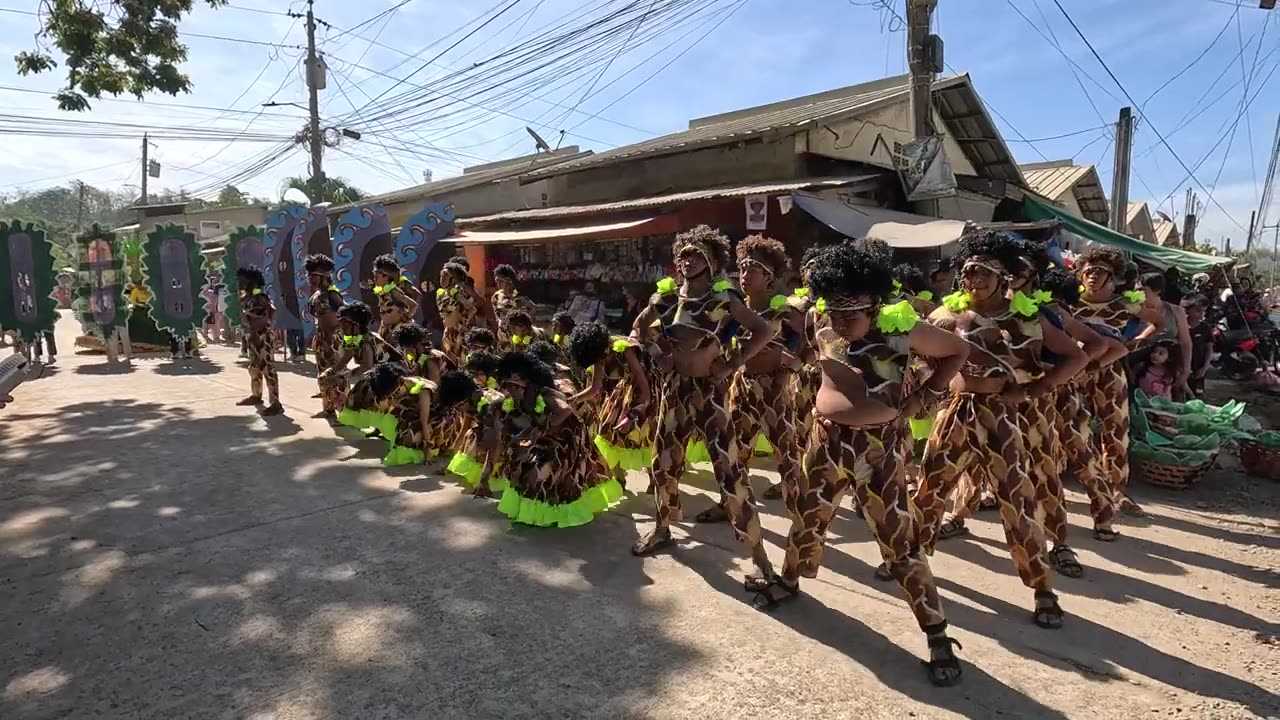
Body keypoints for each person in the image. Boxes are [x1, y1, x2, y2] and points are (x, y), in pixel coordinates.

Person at [750, 242, 969, 687]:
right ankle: (791, 581)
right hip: (824, 442)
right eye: (834, 312)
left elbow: (957, 352)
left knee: (899, 541)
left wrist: (922, 398)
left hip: (879, 451)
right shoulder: (819, 320)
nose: (841, 323)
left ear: (874, 306)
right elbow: (816, 353)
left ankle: (936, 632)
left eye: (851, 315)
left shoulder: (903, 328)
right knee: (808, 519)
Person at [915, 230, 1088, 630]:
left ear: (1002, 278)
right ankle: (911, 561)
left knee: (1018, 499)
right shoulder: (946, 315)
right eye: (968, 274)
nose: (974, 282)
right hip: (956, 412)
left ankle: (1042, 588)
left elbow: (1075, 356)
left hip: (1001, 416)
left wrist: (1037, 387)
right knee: (929, 489)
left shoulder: (1026, 316)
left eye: (983, 275)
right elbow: (916, 353)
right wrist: (934, 382)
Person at [628, 225, 777, 586]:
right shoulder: (665, 299)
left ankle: (759, 557)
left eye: (695, 254)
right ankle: (663, 529)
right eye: (683, 255)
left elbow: (764, 331)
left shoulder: (724, 298)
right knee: (663, 463)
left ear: (711, 261)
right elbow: (638, 330)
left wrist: (730, 363)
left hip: (709, 392)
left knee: (728, 470)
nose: (687, 261)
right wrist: (658, 353)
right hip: (674, 389)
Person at [702, 234, 804, 515]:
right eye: (743, 269)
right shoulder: (736, 312)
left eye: (753, 270)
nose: (745, 275)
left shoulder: (784, 311)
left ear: (769, 277)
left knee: (786, 452)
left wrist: (788, 370)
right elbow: (720, 341)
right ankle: (731, 503)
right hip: (742, 385)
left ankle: (800, 511)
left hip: (774, 389)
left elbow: (810, 346)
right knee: (733, 448)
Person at [1074, 247, 1164, 517]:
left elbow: (1159, 322)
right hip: (1074, 370)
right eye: (1087, 271)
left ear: (1112, 277)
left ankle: (1118, 491)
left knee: (1116, 430)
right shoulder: (1070, 301)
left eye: (1099, 272)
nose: (1091, 276)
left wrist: (1138, 341)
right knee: (1068, 429)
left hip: (1109, 369)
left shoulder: (1124, 303)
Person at [488, 351, 622, 527]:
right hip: (547, 440)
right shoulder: (515, 400)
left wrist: (543, 428)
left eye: (516, 385)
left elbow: (565, 410)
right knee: (522, 467)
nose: (512, 390)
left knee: (548, 473)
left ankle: (557, 512)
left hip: (567, 440)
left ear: (529, 381)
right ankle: (538, 510)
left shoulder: (545, 395)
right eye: (508, 385)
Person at [567, 321, 656, 492]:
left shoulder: (626, 349)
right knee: (606, 431)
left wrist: (635, 413)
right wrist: (574, 400)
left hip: (647, 389)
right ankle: (619, 479)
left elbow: (644, 386)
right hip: (622, 392)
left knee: (645, 434)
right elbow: (595, 388)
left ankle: (655, 478)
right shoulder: (598, 354)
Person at [365, 362, 475, 467]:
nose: (393, 397)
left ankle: (432, 446)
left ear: (401, 381)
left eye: (395, 393)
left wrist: (427, 449)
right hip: (415, 416)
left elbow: (424, 421)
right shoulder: (399, 385)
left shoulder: (424, 391)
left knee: (409, 437)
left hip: (438, 419)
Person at [234, 266, 284, 416]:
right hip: (254, 337)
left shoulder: (259, 298)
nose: (240, 284)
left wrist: (266, 328)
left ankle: (276, 403)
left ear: (251, 282)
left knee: (268, 369)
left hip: (263, 337)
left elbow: (272, 311)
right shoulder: (247, 298)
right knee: (254, 368)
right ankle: (256, 396)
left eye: (242, 281)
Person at [1134, 272, 1192, 399]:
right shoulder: (1133, 312)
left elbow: (1185, 342)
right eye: (1135, 290)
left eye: (1142, 290)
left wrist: (1186, 370)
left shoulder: (1175, 311)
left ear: (1157, 291)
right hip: (1141, 372)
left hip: (1170, 371)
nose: (1137, 294)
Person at [306, 254, 345, 419]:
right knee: (322, 375)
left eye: (313, 276)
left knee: (335, 375)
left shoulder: (333, 295)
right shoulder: (316, 294)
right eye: (309, 275)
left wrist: (334, 331)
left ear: (325, 276)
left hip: (332, 341)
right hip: (321, 340)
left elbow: (346, 315)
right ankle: (328, 409)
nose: (310, 279)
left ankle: (344, 412)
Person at [437, 259, 486, 363]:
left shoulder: (462, 291)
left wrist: (465, 319)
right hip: (448, 333)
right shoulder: (442, 293)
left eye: (445, 275)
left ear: (453, 278)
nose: (442, 278)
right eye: (441, 275)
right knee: (448, 362)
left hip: (461, 333)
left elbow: (475, 305)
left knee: (462, 362)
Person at [372, 253, 420, 336]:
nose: (374, 280)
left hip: (397, 331)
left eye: (376, 277)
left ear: (386, 277)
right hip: (386, 330)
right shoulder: (382, 292)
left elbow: (414, 305)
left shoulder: (394, 291)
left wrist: (406, 317)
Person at [1182, 294, 1212, 398]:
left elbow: (1209, 348)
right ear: (1187, 310)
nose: (1201, 314)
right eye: (1198, 311)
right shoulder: (1180, 327)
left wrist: (1205, 367)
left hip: (1198, 369)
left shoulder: (1205, 328)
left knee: (1198, 396)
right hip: (1181, 368)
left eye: (1204, 311)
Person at [491, 264, 534, 331]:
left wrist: (524, 324)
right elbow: (496, 313)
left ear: (509, 281)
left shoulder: (518, 296)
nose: (498, 283)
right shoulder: (496, 296)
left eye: (501, 281)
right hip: (503, 334)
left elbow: (532, 308)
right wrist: (499, 321)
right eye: (497, 280)